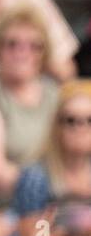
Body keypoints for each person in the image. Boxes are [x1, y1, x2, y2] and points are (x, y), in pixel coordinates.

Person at [0, 7, 60, 210]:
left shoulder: (53, 93)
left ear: (44, 52)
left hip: (52, 205)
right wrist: (53, 187)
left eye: (34, 46)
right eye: (12, 44)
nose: (22, 52)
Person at [14, 80, 91, 217]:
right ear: (56, 126)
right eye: (71, 120)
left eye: (89, 120)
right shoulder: (35, 178)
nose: (81, 128)